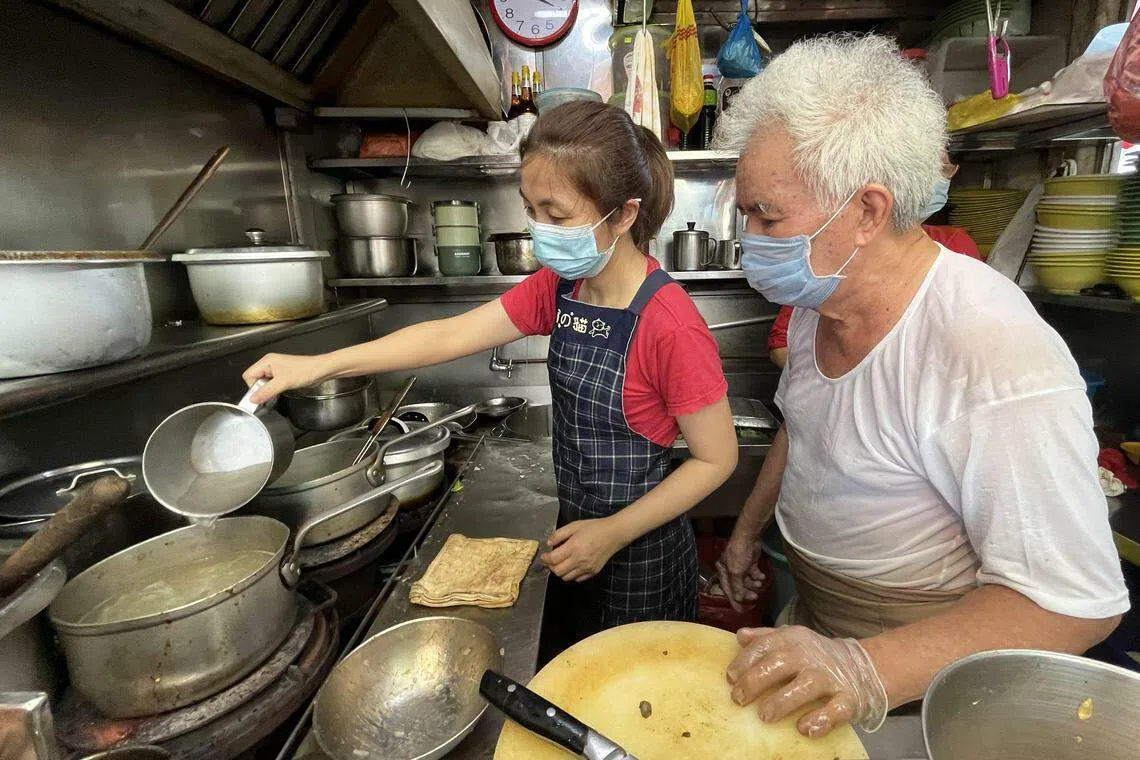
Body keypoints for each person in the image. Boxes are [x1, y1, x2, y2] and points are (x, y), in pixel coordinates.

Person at [711, 35, 1128, 739]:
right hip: (818, 628)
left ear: (869, 212)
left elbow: (1076, 602)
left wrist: (862, 669)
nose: (749, 239)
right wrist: (747, 534)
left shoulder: (988, 347)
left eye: (766, 217)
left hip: (920, 689)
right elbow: (804, 426)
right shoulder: (824, 300)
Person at [243, 102, 738, 650]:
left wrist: (613, 532)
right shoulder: (561, 286)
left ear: (622, 215)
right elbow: (446, 335)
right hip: (575, 534)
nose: (540, 230)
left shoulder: (670, 324)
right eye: (531, 209)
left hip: (639, 550)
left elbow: (717, 459)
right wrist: (314, 366)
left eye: (556, 213)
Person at [767, 154, 980, 368]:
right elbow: (782, 343)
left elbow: (973, 349)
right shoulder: (837, 253)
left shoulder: (958, 246)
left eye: (943, 166)